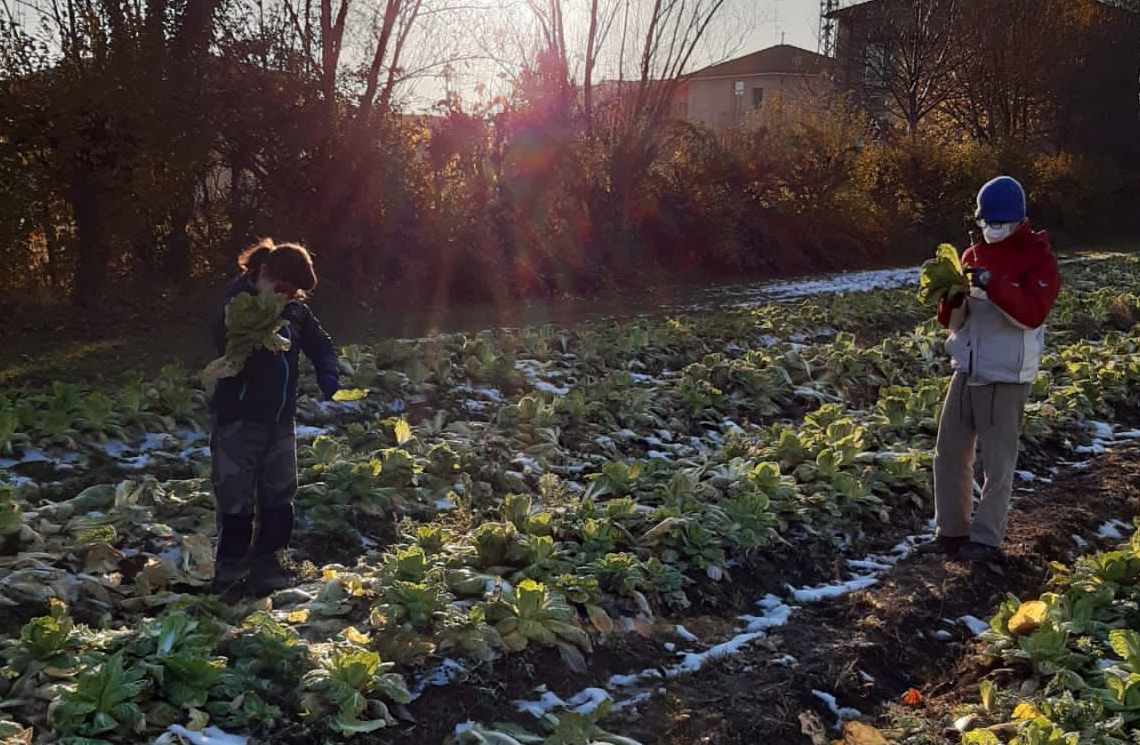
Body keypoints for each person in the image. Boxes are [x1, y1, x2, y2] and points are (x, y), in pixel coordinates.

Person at [919, 176, 1061, 562]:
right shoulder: (970, 256)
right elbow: (954, 323)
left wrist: (994, 284)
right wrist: (950, 301)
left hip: (1006, 375)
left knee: (997, 464)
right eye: (985, 222)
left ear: (1018, 221)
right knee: (948, 452)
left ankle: (985, 539)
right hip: (966, 368)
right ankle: (951, 531)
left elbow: (1032, 314)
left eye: (998, 223)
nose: (990, 230)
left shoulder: (1039, 259)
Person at [209, 239, 340, 597]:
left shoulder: (295, 311)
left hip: (280, 420)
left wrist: (328, 372)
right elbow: (225, 343)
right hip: (238, 417)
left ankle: (271, 563)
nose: (288, 297)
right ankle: (231, 569)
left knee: (279, 493)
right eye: (283, 289)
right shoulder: (236, 303)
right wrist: (259, 329)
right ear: (263, 274)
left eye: (294, 293)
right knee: (235, 495)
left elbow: (320, 343)